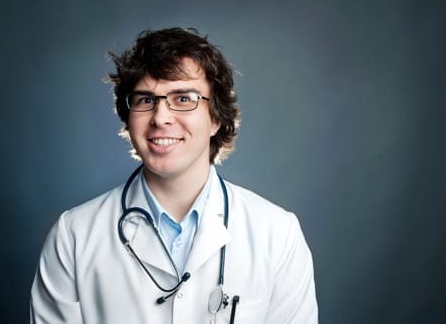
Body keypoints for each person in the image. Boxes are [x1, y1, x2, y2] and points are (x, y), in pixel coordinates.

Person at [30, 27, 318, 323]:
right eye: (145, 100)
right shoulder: (74, 237)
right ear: (128, 118)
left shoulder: (278, 235)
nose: (161, 117)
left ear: (216, 118)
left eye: (183, 99)